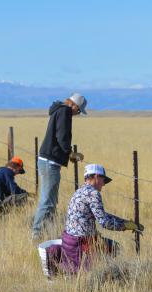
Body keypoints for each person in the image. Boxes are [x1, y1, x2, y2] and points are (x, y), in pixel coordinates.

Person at [59, 163, 143, 273]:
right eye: (103, 180)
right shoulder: (93, 193)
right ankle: (106, 275)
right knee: (114, 248)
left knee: (107, 245)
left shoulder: (80, 191)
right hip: (82, 243)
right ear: (96, 177)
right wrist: (125, 226)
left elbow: (101, 214)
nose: (103, 184)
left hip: (69, 241)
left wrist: (124, 222)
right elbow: (104, 222)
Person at [31, 93, 87, 238]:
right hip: (50, 162)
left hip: (49, 161)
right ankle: (36, 234)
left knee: (51, 200)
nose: (77, 114)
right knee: (47, 201)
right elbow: (61, 136)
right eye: (79, 110)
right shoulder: (65, 111)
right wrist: (70, 153)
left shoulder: (59, 110)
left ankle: (47, 231)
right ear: (74, 105)